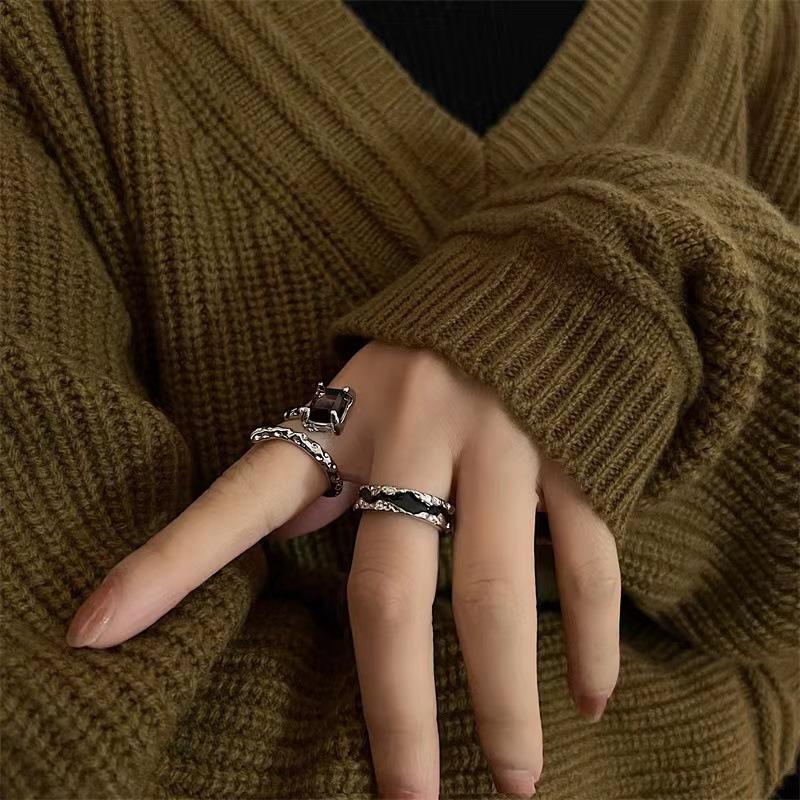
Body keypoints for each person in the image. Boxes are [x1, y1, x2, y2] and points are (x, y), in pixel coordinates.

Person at [1, 1, 798, 798]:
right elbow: (58, 739)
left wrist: (642, 279)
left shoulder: (759, 28)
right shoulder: (46, 37)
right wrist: (730, 720)